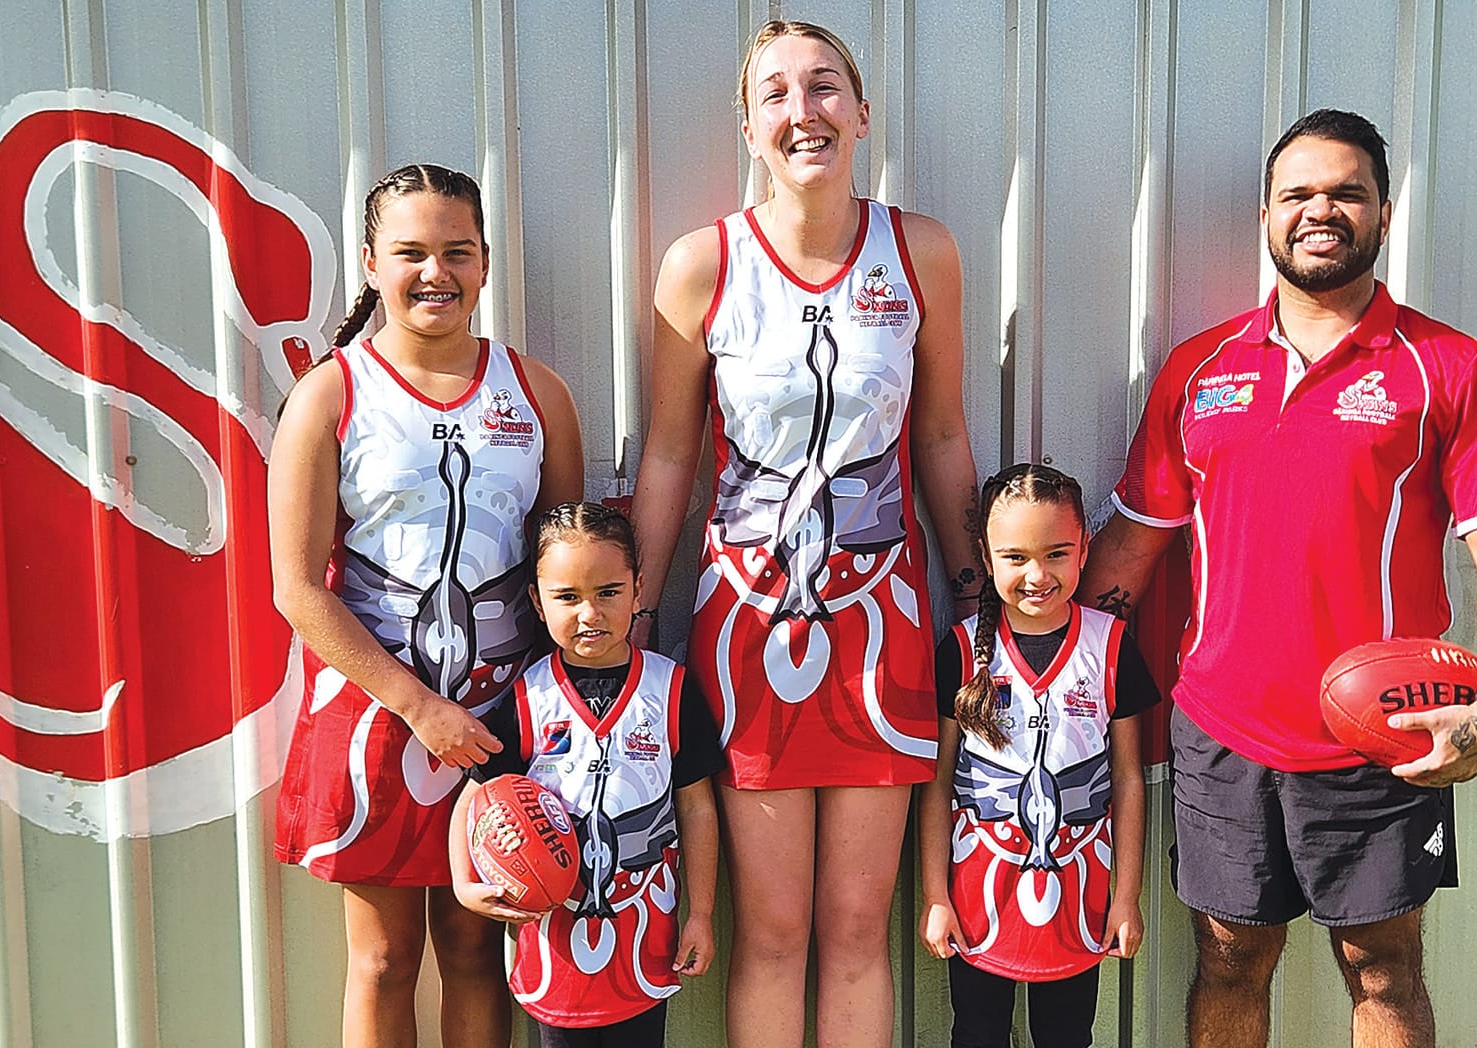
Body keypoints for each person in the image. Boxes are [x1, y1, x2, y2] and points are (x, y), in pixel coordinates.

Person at [1080, 109, 1477, 1047]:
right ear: (1265, 214)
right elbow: (1129, 556)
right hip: (1221, 726)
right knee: (1228, 957)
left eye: (1346, 192)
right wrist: (1033, 680)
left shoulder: (1446, 366)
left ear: (1383, 211)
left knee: (1384, 969)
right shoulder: (1199, 368)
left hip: (1384, 732)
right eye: (1297, 193)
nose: (1320, 210)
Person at [631, 19, 986, 1048]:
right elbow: (665, 458)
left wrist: (973, 610)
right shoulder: (700, 263)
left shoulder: (920, 251)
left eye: (825, 87)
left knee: (852, 927)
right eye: (777, 94)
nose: (804, 112)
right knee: (776, 927)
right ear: (747, 126)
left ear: (861, 114)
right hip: (748, 629)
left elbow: (943, 432)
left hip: (882, 627)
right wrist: (640, 630)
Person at [269, 163, 584, 1048]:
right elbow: (294, 586)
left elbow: (558, 568)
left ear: (484, 264)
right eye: (410, 252)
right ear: (371, 263)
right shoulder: (330, 393)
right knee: (383, 961)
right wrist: (417, 706)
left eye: (457, 251)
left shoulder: (538, 394)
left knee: (480, 951)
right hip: (377, 712)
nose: (434, 272)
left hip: (496, 715)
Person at [450, 503, 719, 1048]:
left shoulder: (671, 691)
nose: (589, 613)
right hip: (553, 942)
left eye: (608, 593)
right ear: (536, 601)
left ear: (639, 590)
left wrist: (703, 914)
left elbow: (696, 808)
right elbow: (476, 797)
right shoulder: (526, 700)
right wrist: (463, 882)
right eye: (568, 597)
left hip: (643, 935)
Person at [917, 464, 1150, 1048]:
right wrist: (936, 898)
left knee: (1068, 1033)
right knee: (976, 1031)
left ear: (1084, 547)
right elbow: (939, 785)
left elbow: (1127, 780)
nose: (1037, 575)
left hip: (1082, 896)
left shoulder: (1111, 645)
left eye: (1056, 553)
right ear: (986, 555)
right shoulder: (963, 650)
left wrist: (1125, 898)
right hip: (978, 895)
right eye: (1016, 556)